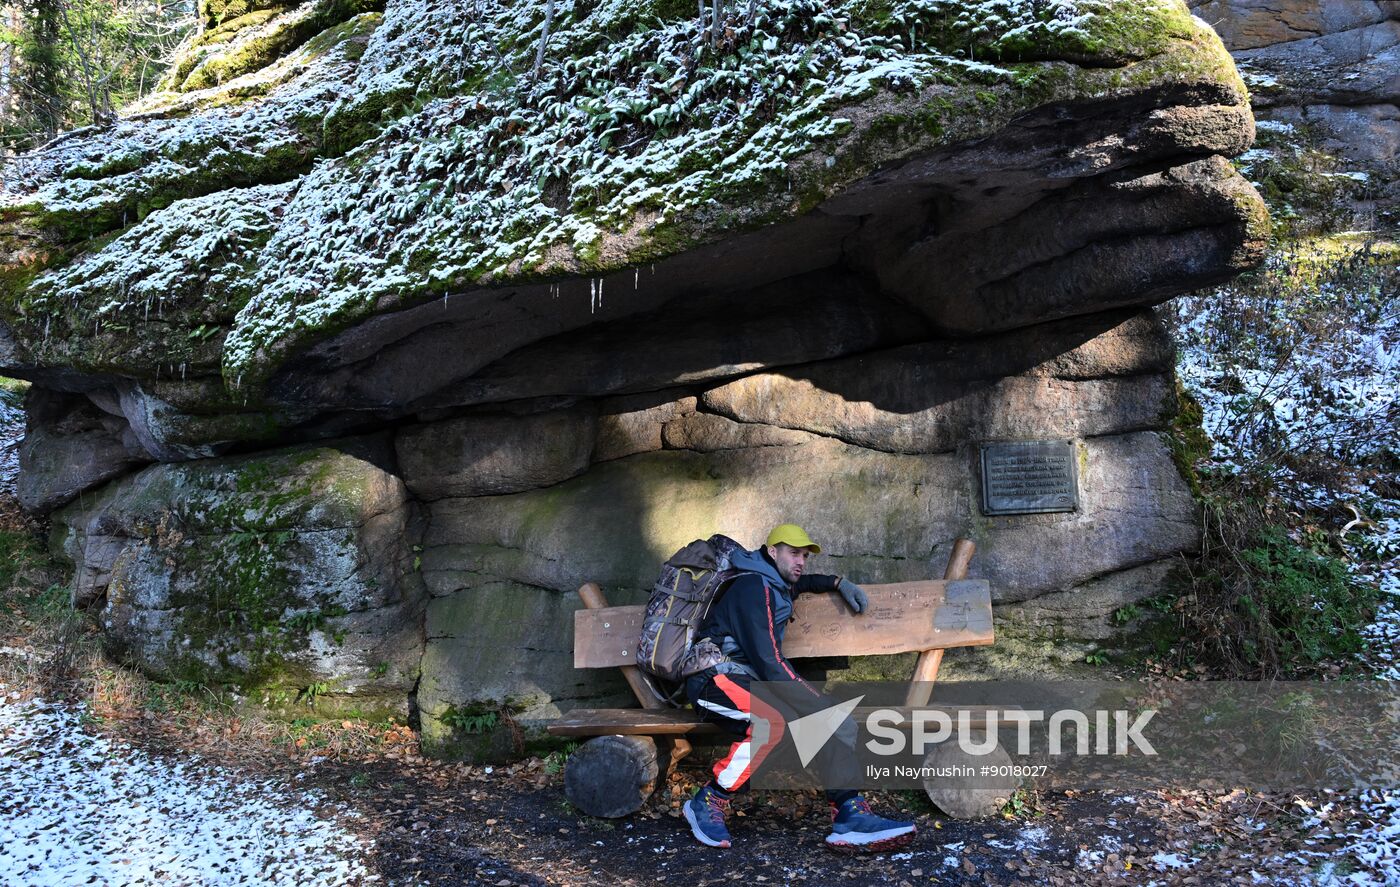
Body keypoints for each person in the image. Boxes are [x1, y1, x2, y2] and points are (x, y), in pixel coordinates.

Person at [681, 523, 917, 852]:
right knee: (774, 723)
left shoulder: (772, 580)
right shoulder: (753, 588)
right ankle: (708, 800)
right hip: (712, 680)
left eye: (805, 555)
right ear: (772, 550)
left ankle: (849, 813)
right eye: (794, 553)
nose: (801, 561)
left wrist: (836, 582)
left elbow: (799, 581)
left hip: (745, 678)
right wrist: (819, 706)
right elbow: (770, 663)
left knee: (820, 718)